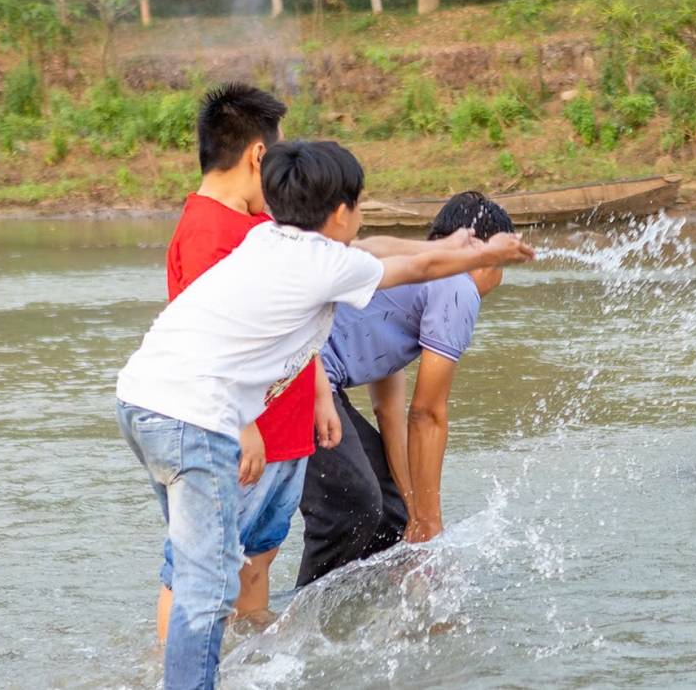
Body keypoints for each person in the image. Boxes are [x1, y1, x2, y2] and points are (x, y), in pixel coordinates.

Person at [116, 140, 535, 690]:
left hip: (145, 400)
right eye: (358, 206)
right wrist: (480, 254)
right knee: (206, 581)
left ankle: (270, 648)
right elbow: (421, 271)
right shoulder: (325, 267)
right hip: (190, 412)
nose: (361, 221)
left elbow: (387, 247)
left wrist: (456, 242)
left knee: (215, 565)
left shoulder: (274, 238)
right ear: (339, 214)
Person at [153, 84, 335, 641]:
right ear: (259, 155)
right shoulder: (208, 233)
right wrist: (244, 422)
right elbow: (210, 347)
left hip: (287, 431)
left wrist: (322, 394)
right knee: (198, 569)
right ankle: (167, 671)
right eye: (277, 159)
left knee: (258, 559)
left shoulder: (259, 227)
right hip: (242, 437)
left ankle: (250, 658)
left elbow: (292, 323)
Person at [296, 191, 515, 587]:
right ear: (487, 256)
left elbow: (391, 414)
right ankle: (307, 615)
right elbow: (428, 414)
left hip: (313, 378)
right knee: (354, 502)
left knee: (391, 511)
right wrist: (432, 527)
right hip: (300, 377)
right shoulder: (458, 285)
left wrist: (415, 513)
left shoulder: (412, 281)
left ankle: (370, 606)